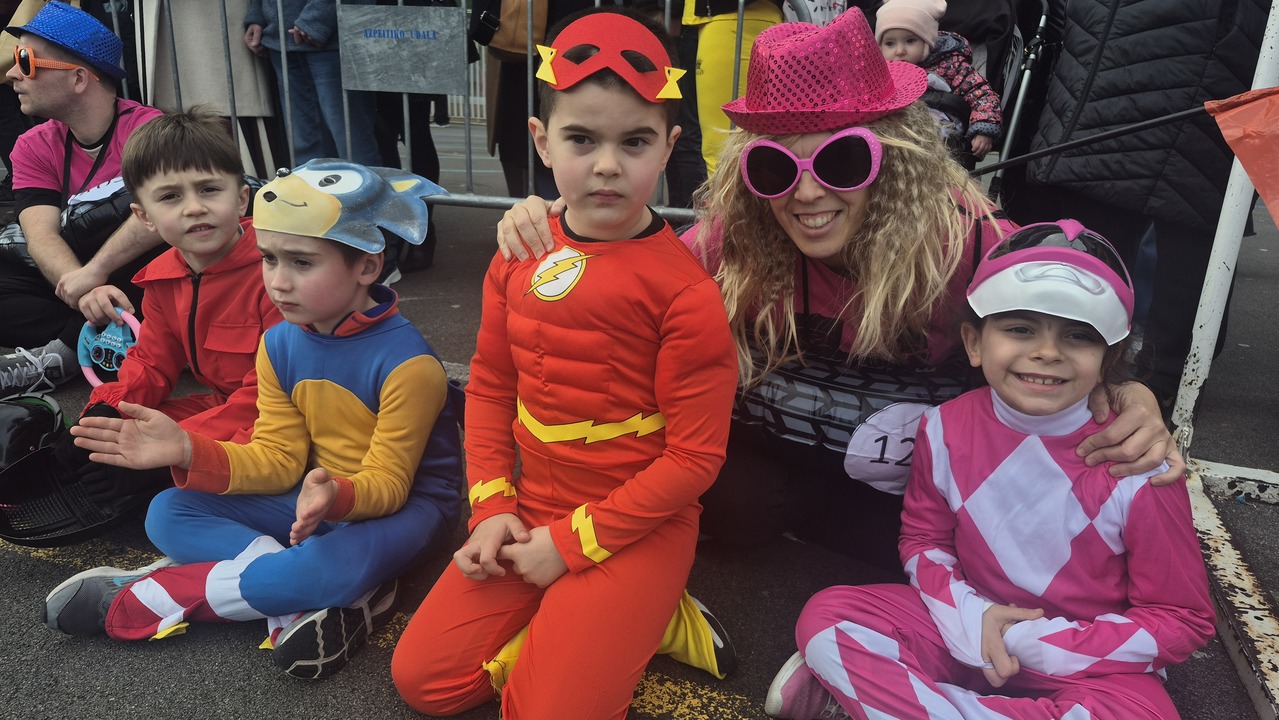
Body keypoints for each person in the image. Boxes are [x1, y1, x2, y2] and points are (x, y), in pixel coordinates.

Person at [496, 8, 1180, 573]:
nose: (807, 193)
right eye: (775, 167)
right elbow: (630, 276)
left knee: (976, 539)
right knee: (732, 506)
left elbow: (1066, 318)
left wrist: (1126, 392)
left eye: (842, 159)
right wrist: (559, 226)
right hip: (782, 458)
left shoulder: (964, 240)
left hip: (912, 478)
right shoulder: (741, 229)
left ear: (896, 159)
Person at [390, 9, 739, 718]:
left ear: (668, 148)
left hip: (638, 527)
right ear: (542, 142)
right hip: (532, 509)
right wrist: (492, 510)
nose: (607, 165)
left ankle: (650, 611)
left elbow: (695, 458)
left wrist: (573, 545)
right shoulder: (518, 251)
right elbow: (491, 387)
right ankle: (597, 626)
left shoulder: (688, 294)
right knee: (423, 682)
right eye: (582, 139)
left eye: (634, 141)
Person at [764, 220, 1215, 719]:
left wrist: (1032, 642)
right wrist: (972, 617)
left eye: (1078, 335)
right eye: (1020, 328)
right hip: (963, 627)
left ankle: (878, 701)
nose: (1047, 351)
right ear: (974, 343)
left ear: (1110, 358)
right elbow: (924, 540)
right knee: (830, 617)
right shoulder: (943, 428)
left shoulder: (1139, 460)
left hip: (1084, 659)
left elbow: (1182, 618)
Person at [43, 159, 462, 681]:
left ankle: (160, 593)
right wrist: (186, 450)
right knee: (168, 510)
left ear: (367, 267)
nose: (277, 282)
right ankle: (315, 589)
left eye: (302, 262)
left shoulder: (409, 365)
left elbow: (392, 486)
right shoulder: (280, 343)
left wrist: (335, 497)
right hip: (311, 501)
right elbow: (279, 460)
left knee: (326, 566)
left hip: (403, 509)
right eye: (269, 258)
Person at [1001, 0, 1271, 418]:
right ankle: (1144, 389)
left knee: (1096, 275)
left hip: (1146, 102)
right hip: (1119, 101)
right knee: (1091, 275)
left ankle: (1139, 389)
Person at [44, 108, 283, 516]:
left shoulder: (276, 272)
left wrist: (169, 451)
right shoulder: (161, 279)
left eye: (209, 189)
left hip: (285, 417)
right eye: (171, 196)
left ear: (242, 198)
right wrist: (106, 409)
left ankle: (174, 479)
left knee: (145, 448)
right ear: (145, 217)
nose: (194, 208)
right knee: (109, 432)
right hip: (227, 406)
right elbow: (151, 364)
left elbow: (272, 397)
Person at [0, 1, 164, 394]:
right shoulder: (33, 145)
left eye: (26, 61)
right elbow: (40, 234)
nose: (11, 73)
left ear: (78, 79)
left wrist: (98, 269)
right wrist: (87, 288)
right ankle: (111, 338)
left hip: (138, 275)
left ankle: (67, 351)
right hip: (88, 285)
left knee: (158, 246)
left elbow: (167, 212)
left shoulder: (152, 131)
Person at [243, 0, 381, 166]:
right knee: (309, 152)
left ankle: (364, 184)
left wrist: (316, 18)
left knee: (352, 145)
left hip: (332, 37)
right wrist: (258, 16)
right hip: (284, 39)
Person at [876, 0, 1001, 163]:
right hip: (894, 137)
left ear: (927, 40)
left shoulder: (950, 65)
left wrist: (983, 128)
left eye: (910, 41)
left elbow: (981, 94)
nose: (900, 51)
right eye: (890, 43)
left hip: (941, 138)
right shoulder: (880, 73)